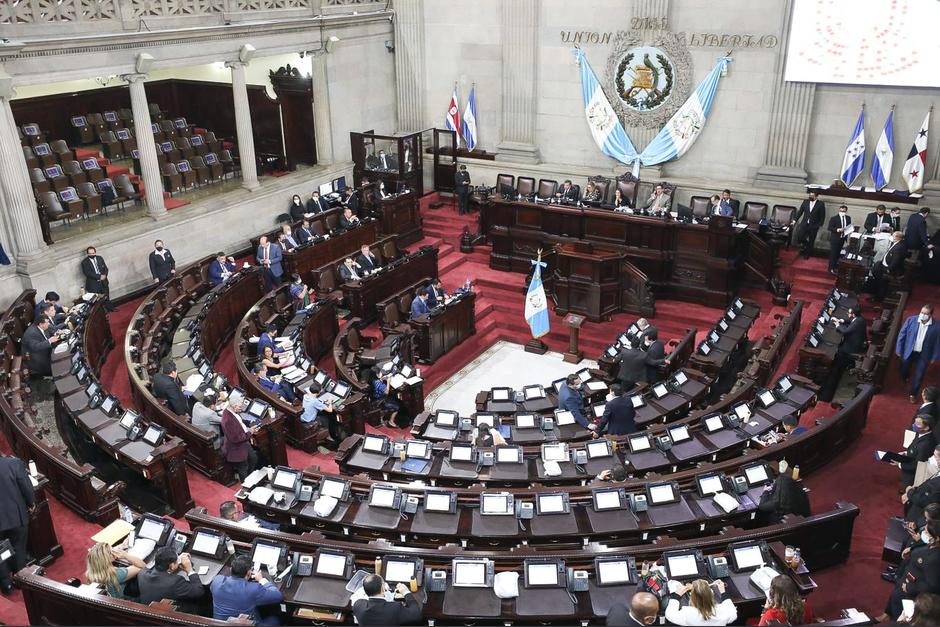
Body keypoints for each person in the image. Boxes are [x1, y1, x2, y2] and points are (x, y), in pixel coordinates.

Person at [879, 518, 940, 622]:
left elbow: (932, 586)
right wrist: (912, 550)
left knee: (901, 619)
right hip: (905, 584)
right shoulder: (932, 545)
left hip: (912, 594)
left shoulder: (936, 559)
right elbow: (924, 548)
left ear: (937, 538)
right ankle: (887, 615)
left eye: (926, 532)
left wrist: (910, 587)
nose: (923, 533)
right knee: (895, 599)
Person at [211, 554, 283, 625]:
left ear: (231, 570)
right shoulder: (253, 590)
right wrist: (261, 579)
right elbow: (278, 596)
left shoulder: (217, 581)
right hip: (245, 624)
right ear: (249, 573)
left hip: (220, 624)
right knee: (274, 620)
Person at [0, 454, 35, 594]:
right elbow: (26, 486)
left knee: (1, 552)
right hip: (16, 516)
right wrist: (31, 503)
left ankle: (6, 584)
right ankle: (21, 579)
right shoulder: (13, 463)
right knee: (19, 547)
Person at [137, 546, 206, 614]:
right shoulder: (176, 582)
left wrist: (174, 562)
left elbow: (156, 572)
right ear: (172, 566)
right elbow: (198, 591)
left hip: (149, 612)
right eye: (177, 560)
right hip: (172, 615)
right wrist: (190, 570)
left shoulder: (142, 574)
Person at [897, 305, 940, 403]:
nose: (922, 315)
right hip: (909, 351)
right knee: (904, 367)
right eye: (922, 312)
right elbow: (902, 335)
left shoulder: (937, 326)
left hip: (924, 354)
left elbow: (938, 343)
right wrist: (899, 349)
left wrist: (934, 357)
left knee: (919, 374)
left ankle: (913, 393)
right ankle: (905, 377)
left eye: (925, 314)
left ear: (930, 315)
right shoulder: (911, 320)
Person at [352, 574, 423, 626]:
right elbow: (416, 615)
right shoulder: (395, 608)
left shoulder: (358, 605)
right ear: (383, 588)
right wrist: (406, 592)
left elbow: (360, 595)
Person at [664, 578, 737, 626]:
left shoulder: (688, 613)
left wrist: (676, 596)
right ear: (712, 595)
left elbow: (669, 615)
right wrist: (722, 591)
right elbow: (733, 614)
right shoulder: (724, 612)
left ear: (692, 598)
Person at [220, 396, 260, 480]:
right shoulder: (228, 420)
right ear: (234, 406)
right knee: (243, 468)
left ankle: (250, 477)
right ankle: (245, 483)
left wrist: (251, 423)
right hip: (236, 448)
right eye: (240, 407)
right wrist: (250, 432)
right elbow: (236, 438)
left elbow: (239, 421)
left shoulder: (231, 411)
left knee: (253, 458)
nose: (241, 408)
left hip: (244, 442)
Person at [903, 446, 940, 526]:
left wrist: (909, 492)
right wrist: (914, 490)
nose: (936, 460)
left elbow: (925, 501)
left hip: (920, 517)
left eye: (937, 457)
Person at [900, 415, 938, 489]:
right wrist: (906, 453)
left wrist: (899, 464)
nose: (913, 425)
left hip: (914, 474)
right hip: (911, 459)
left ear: (926, 428)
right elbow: (914, 445)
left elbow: (918, 466)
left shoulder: (925, 445)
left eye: (917, 424)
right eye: (915, 422)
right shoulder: (921, 432)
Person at [872, 230, 908, 301]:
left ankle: (879, 296)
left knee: (880, 277)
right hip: (885, 265)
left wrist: (888, 269)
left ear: (897, 238)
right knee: (875, 267)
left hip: (891, 269)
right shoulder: (897, 243)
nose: (891, 237)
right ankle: (875, 291)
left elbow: (895, 261)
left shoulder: (899, 247)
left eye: (893, 236)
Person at [794, 191, 826, 258]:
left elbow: (822, 216)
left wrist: (819, 225)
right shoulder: (805, 202)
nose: (810, 197)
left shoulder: (821, 204)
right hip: (804, 224)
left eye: (812, 196)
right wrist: (794, 220)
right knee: (800, 236)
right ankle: (806, 244)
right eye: (810, 195)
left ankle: (807, 254)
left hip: (814, 225)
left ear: (816, 196)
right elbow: (800, 212)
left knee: (811, 240)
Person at [827, 204, 852, 273]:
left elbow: (849, 226)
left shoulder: (848, 218)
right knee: (833, 254)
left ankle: (835, 266)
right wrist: (838, 230)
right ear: (839, 210)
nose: (842, 212)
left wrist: (850, 230)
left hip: (843, 238)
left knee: (838, 254)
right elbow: (829, 228)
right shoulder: (834, 218)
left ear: (846, 211)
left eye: (844, 211)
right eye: (841, 211)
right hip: (835, 238)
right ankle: (830, 268)